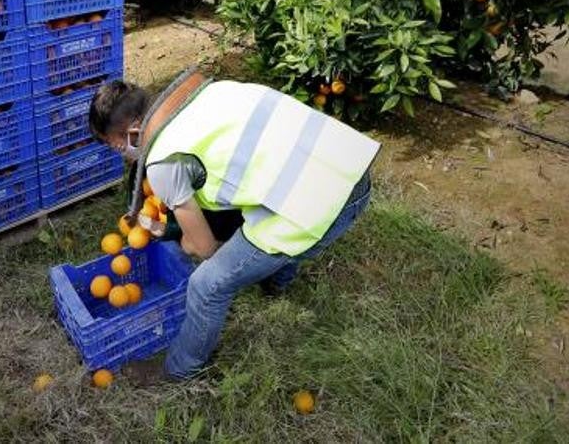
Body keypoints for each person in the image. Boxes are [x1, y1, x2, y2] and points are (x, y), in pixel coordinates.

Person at [88, 69, 381, 382]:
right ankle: (275, 282)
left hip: (320, 207)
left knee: (206, 286)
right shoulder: (211, 91)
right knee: (262, 222)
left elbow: (204, 248)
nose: (125, 156)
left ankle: (178, 369)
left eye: (118, 147)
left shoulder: (164, 160)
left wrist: (182, 239)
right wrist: (172, 227)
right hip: (349, 170)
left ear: (133, 132)